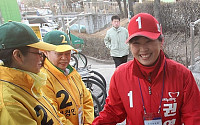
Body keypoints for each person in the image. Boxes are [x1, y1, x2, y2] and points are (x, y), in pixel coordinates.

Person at [92, 13, 200, 125]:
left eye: (149, 41)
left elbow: (194, 116)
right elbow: (112, 112)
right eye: (136, 43)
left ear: (161, 41)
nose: (143, 49)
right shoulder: (120, 75)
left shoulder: (182, 75)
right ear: (129, 46)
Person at [0, 21, 66, 124]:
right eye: (38, 53)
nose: (42, 58)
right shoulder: (10, 103)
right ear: (18, 56)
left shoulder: (29, 84)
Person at [41, 30, 94, 125]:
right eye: (59, 54)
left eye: (68, 53)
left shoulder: (72, 73)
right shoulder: (43, 78)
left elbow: (87, 100)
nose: (64, 58)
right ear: (45, 52)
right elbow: (52, 114)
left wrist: (88, 122)